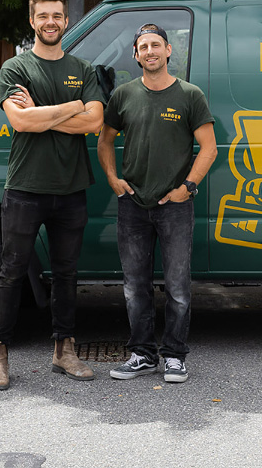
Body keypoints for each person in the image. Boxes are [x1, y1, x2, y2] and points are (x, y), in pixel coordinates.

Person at [0, 0, 105, 391]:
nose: (50, 22)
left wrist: (44, 112)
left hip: (71, 188)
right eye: (43, 16)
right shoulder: (15, 68)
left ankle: (64, 349)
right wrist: (73, 106)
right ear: (32, 22)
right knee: (11, 272)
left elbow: (93, 124)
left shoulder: (83, 69)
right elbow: (20, 123)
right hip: (25, 187)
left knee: (67, 274)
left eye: (57, 15)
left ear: (66, 21)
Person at [97, 23, 216, 384]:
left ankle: (175, 356)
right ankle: (143, 355)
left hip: (175, 205)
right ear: (135, 55)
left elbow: (209, 148)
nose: (149, 51)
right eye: (143, 46)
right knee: (135, 287)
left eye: (156, 45)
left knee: (178, 287)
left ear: (168, 52)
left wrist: (187, 188)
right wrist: (113, 179)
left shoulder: (189, 95)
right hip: (133, 204)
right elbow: (104, 142)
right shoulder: (123, 95)